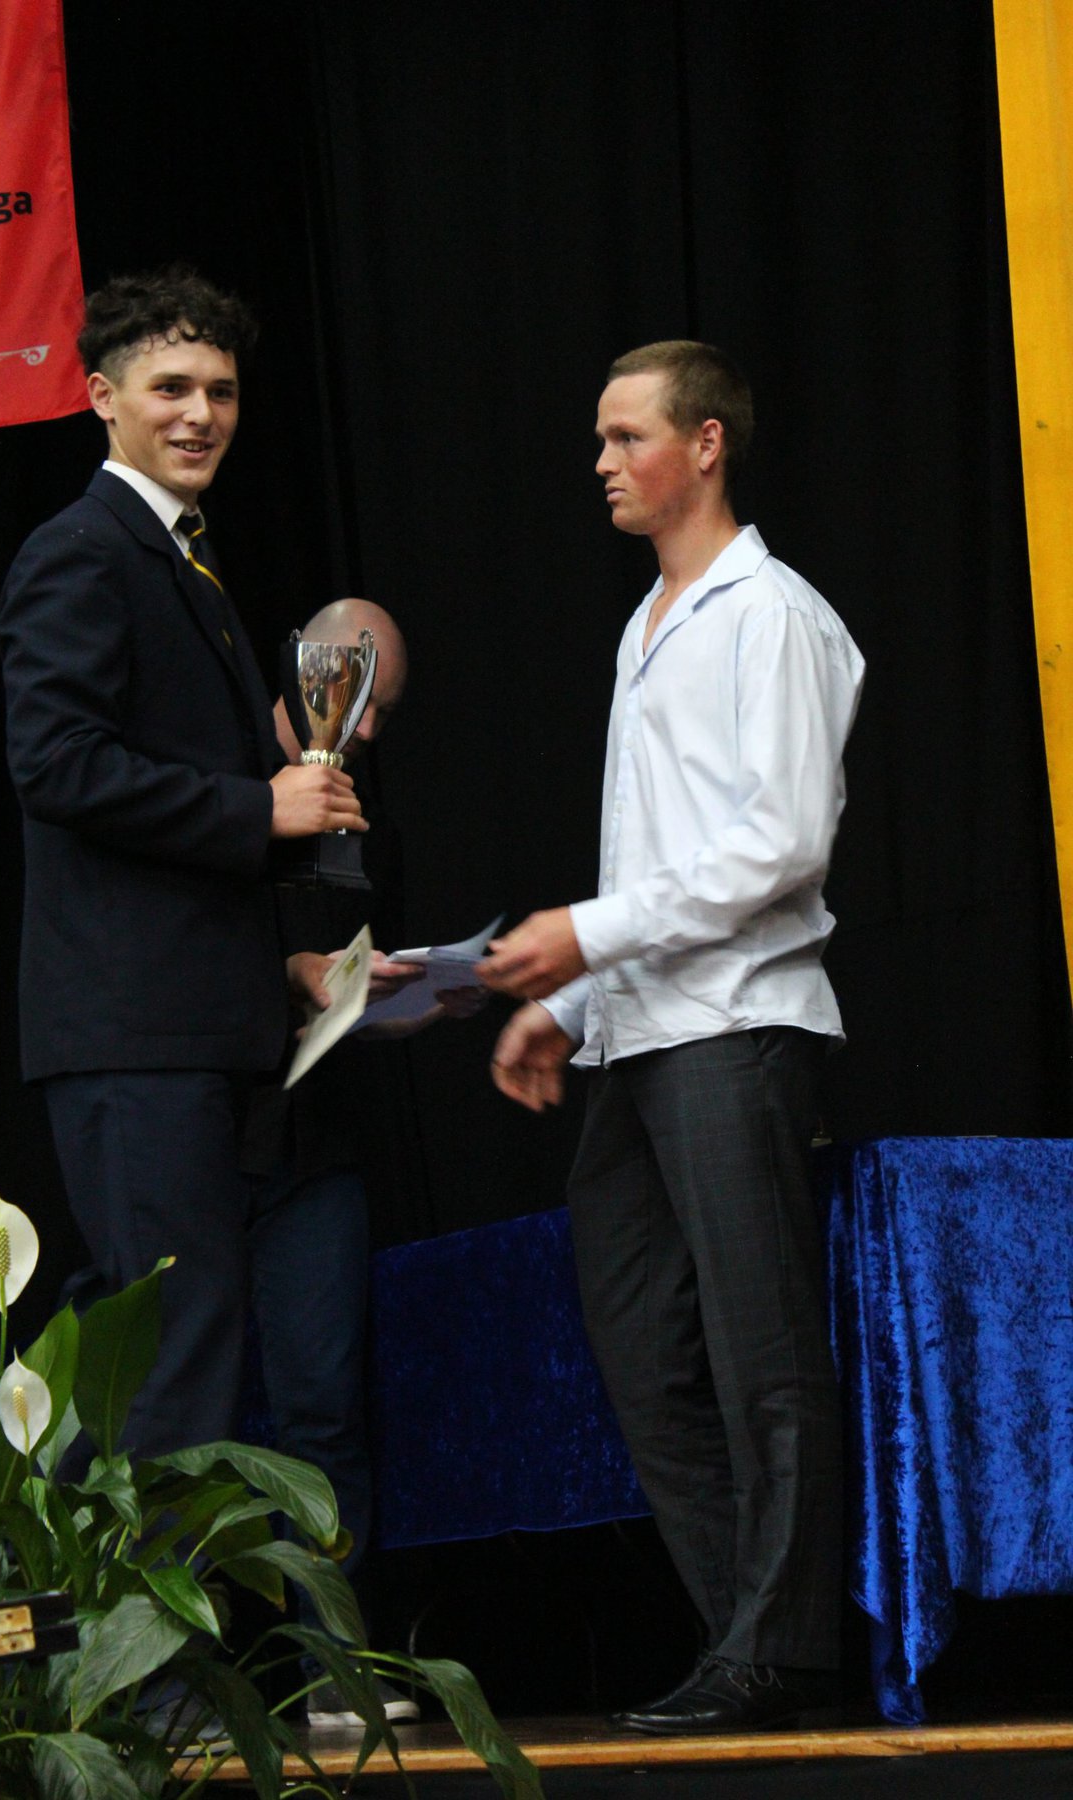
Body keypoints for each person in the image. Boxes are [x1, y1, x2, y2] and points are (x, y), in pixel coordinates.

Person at [479, 341, 864, 1735]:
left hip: (738, 1027)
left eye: (626, 436)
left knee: (763, 1349)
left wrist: (583, 935)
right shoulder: (644, 626)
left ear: (706, 445)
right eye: (599, 438)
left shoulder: (775, 616)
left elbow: (779, 844)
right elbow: (655, 857)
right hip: (637, 1040)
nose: (602, 462)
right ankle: (743, 1640)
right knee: (643, 1350)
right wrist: (569, 1001)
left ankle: (785, 1652)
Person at [0, 267, 364, 1467]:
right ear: (102, 397)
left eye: (222, 389)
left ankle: (93, 1597)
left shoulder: (181, 556)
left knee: (172, 1345)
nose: (201, 414)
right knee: (169, 1358)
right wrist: (260, 807)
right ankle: (100, 1609)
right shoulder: (81, 552)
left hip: (193, 1030)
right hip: (134, 1036)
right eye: (170, 388)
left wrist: (283, 961)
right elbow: (57, 766)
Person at [242, 596, 476, 1728]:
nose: (369, 729)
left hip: (316, 1141)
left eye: (383, 709)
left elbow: (344, 971)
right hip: (202, 1126)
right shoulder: (222, 770)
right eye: (361, 697)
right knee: (170, 1402)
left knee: (324, 1408)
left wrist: (399, 1001)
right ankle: (152, 1674)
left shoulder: (360, 812)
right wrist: (285, 975)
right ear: (313, 667)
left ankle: (340, 1669)